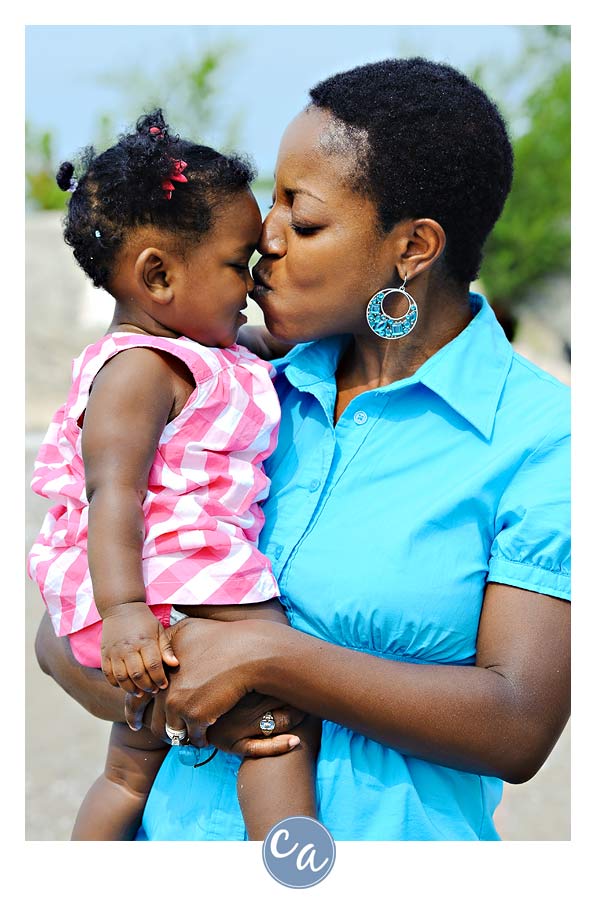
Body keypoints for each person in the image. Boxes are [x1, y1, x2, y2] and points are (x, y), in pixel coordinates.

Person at [35, 57, 570, 841]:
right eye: (270, 205)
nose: (264, 241)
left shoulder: (540, 438)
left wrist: (267, 658)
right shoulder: (235, 389)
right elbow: (58, 641)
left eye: (303, 218)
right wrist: (189, 704)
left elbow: (519, 725)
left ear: (413, 247)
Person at [27, 109, 319, 841]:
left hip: (163, 589)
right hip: (167, 585)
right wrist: (125, 611)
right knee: (282, 705)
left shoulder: (197, 347)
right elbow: (111, 493)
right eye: (236, 264)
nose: (251, 283)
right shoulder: (137, 370)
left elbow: (253, 343)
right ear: (158, 274)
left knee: (129, 771)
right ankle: (294, 861)